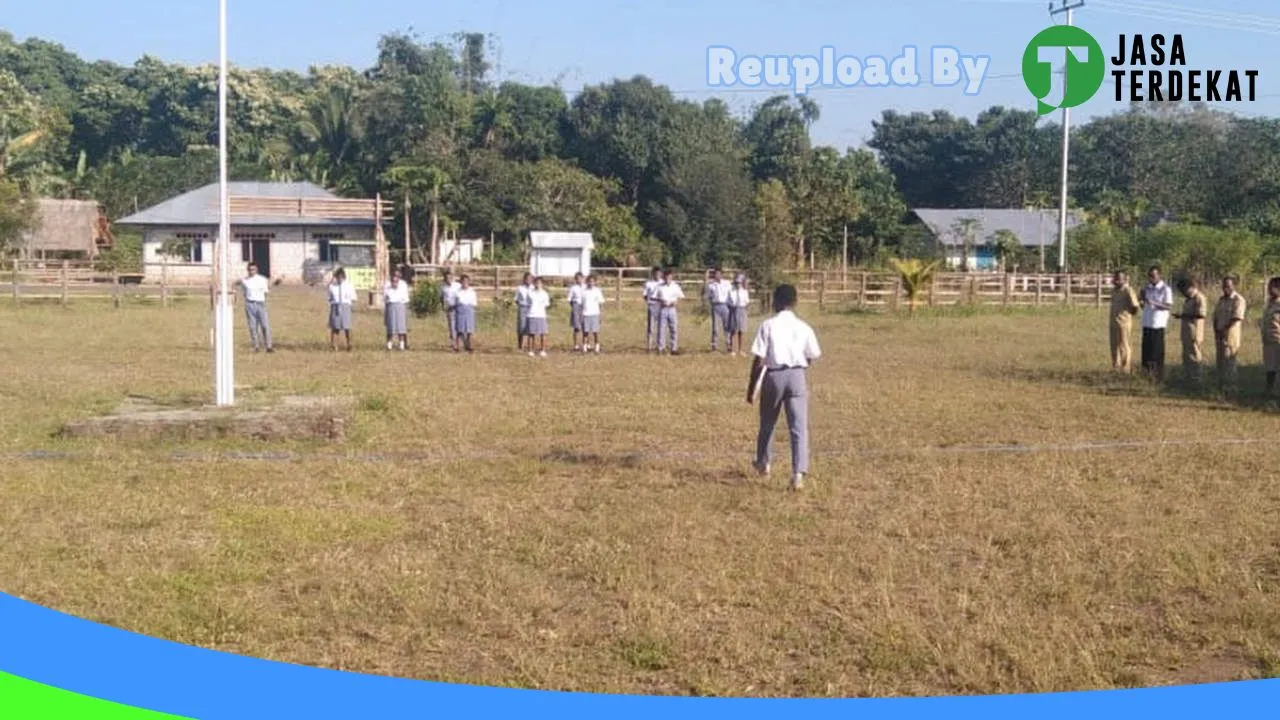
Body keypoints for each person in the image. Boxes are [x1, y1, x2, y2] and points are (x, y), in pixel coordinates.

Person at [747, 284, 821, 492]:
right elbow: (811, 354)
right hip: (797, 375)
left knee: (768, 422)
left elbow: (759, 359)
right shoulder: (804, 327)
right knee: (798, 427)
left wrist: (752, 386)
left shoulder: (768, 325)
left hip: (774, 374)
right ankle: (798, 474)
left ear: (775, 301)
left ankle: (764, 463)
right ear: (795, 302)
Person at [1213, 275, 1247, 391]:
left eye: (1228, 286)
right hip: (1219, 336)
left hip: (1230, 337)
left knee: (1229, 362)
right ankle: (1221, 386)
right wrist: (1217, 330)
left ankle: (1231, 387)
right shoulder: (1221, 300)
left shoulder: (1238, 300)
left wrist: (1224, 330)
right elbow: (1216, 316)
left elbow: (1236, 318)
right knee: (1220, 362)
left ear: (1233, 286)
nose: (1225, 288)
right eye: (1224, 286)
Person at [1139, 266, 1173, 381]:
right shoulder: (1147, 288)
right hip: (1147, 322)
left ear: (1159, 275)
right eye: (1149, 276)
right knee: (1146, 351)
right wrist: (1142, 300)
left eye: (1153, 276)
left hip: (1158, 324)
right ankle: (1146, 374)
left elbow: (1168, 306)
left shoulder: (1165, 289)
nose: (1151, 278)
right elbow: (1143, 305)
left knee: (1156, 352)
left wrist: (1152, 302)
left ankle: (1158, 376)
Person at [1172, 276, 1207, 383]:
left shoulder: (1199, 298)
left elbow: (1201, 315)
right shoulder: (1188, 299)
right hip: (1186, 332)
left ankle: (1196, 378)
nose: (1182, 293)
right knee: (1186, 356)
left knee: (1194, 355)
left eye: (1183, 290)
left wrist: (1184, 316)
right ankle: (1188, 377)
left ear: (1191, 287)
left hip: (1194, 332)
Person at [1109, 270, 1139, 372]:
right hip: (1113, 321)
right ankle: (1116, 367)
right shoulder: (1114, 290)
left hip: (1123, 322)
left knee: (1124, 344)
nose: (1117, 281)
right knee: (1114, 345)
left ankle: (1126, 367)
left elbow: (1135, 305)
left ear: (1124, 279)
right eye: (1115, 278)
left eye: (1119, 279)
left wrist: (1129, 315)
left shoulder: (1128, 290)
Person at [241, 262, 273, 353]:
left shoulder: (262, 280)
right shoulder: (245, 281)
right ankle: (256, 346)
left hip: (260, 304)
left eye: (253, 269)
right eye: (250, 270)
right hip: (250, 304)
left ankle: (269, 346)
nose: (251, 271)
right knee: (252, 326)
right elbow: (244, 292)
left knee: (265, 325)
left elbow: (266, 292)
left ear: (256, 270)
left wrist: (261, 301)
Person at [655, 269, 685, 355]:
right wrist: (661, 301)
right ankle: (661, 348)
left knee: (673, 329)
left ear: (671, 277)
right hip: (663, 309)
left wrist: (676, 301)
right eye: (666, 276)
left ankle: (674, 348)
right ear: (664, 277)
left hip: (672, 309)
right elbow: (657, 297)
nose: (668, 278)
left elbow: (680, 296)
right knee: (661, 329)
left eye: (669, 276)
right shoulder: (660, 286)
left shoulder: (675, 286)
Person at [327, 267, 356, 351]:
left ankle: (349, 344)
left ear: (344, 277)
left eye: (341, 278)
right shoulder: (332, 286)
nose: (339, 279)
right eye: (337, 278)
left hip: (345, 306)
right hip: (335, 306)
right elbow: (329, 297)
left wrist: (348, 305)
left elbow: (353, 297)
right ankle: (334, 346)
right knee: (335, 328)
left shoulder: (349, 286)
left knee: (347, 327)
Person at [705, 268, 733, 353]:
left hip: (725, 306)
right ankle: (714, 346)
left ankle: (729, 345)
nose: (717, 276)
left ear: (721, 274)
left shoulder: (727, 283)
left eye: (718, 274)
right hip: (716, 306)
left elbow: (730, 294)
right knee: (715, 327)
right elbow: (708, 295)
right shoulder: (711, 285)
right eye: (715, 274)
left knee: (727, 327)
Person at [384, 267, 410, 351]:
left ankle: (402, 344)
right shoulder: (387, 284)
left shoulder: (403, 284)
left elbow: (405, 298)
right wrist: (391, 287)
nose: (395, 277)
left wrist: (405, 309)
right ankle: (389, 344)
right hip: (391, 305)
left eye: (397, 275)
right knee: (391, 326)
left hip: (400, 305)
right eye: (394, 275)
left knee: (401, 326)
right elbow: (385, 297)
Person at [1263, 277, 1280, 395]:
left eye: (1272, 287)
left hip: (1278, 339)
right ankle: (1269, 391)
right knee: (1270, 368)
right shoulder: (1269, 303)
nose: (1269, 289)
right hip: (1269, 341)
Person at [727, 273, 751, 356]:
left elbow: (747, 302)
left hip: (742, 310)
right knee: (734, 330)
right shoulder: (731, 291)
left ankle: (741, 350)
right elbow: (728, 302)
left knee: (742, 330)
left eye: (739, 283)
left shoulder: (744, 292)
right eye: (736, 283)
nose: (738, 284)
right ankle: (733, 349)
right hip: (734, 310)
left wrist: (744, 310)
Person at [526, 276, 550, 357]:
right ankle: (530, 350)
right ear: (534, 283)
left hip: (541, 315)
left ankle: (542, 350)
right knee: (531, 334)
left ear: (542, 284)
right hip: (531, 315)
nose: (538, 284)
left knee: (543, 334)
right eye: (536, 283)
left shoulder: (545, 294)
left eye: (539, 283)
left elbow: (546, 304)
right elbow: (528, 303)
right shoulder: (530, 293)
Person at [581, 274, 605, 353]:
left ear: (595, 282)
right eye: (589, 281)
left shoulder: (597, 291)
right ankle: (584, 347)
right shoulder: (584, 292)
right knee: (585, 332)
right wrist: (581, 314)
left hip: (595, 314)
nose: (591, 283)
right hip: (586, 314)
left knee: (595, 332)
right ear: (587, 282)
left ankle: (597, 346)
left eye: (592, 282)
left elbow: (601, 303)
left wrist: (601, 315)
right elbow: (582, 304)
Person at [454, 274, 477, 353]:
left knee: (469, 330)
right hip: (460, 310)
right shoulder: (457, 291)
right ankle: (458, 347)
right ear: (461, 282)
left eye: (466, 281)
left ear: (469, 282)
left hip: (469, 310)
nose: (465, 283)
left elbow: (474, 303)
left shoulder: (472, 291)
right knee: (459, 330)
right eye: (463, 281)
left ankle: (470, 346)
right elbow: (455, 301)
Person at [643, 266, 663, 353]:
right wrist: (649, 301)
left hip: (661, 305)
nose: (657, 275)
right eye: (656, 273)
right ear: (653, 274)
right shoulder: (648, 283)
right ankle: (649, 345)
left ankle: (660, 345)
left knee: (661, 326)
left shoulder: (663, 283)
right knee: (651, 327)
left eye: (659, 273)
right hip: (652, 305)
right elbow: (645, 295)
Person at [440, 269, 462, 351]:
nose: (449, 279)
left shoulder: (458, 286)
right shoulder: (443, 287)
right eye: (447, 277)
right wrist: (443, 306)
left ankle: (459, 343)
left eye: (450, 277)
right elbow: (441, 297)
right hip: (450, 308)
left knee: (459, 326)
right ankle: (454, 344)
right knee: (452, 327)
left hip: (459, 307)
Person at [515, 272, 534, 351]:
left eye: (530, 279)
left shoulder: (533, 288)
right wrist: (521, 306)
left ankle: (529, 345)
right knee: (521, 326)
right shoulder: (520, 288)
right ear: (524, 279)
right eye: (527, 279)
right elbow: (516, 299)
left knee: (530, 326)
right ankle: (520, 345)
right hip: (522, 307)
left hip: (531, 308)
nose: (528, 280)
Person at [568, 272, 586, 351]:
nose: (579, 280)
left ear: (583, 278)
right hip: (576, 305)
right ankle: (576, 344)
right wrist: (574, 307)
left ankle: (586, 344)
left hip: (585, 306)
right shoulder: (573, 288)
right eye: (577, 278)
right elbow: (570, 299)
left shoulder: (586, 287)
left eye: (580, 278)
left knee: (585, 326)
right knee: (576, 327)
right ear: (575, 279)